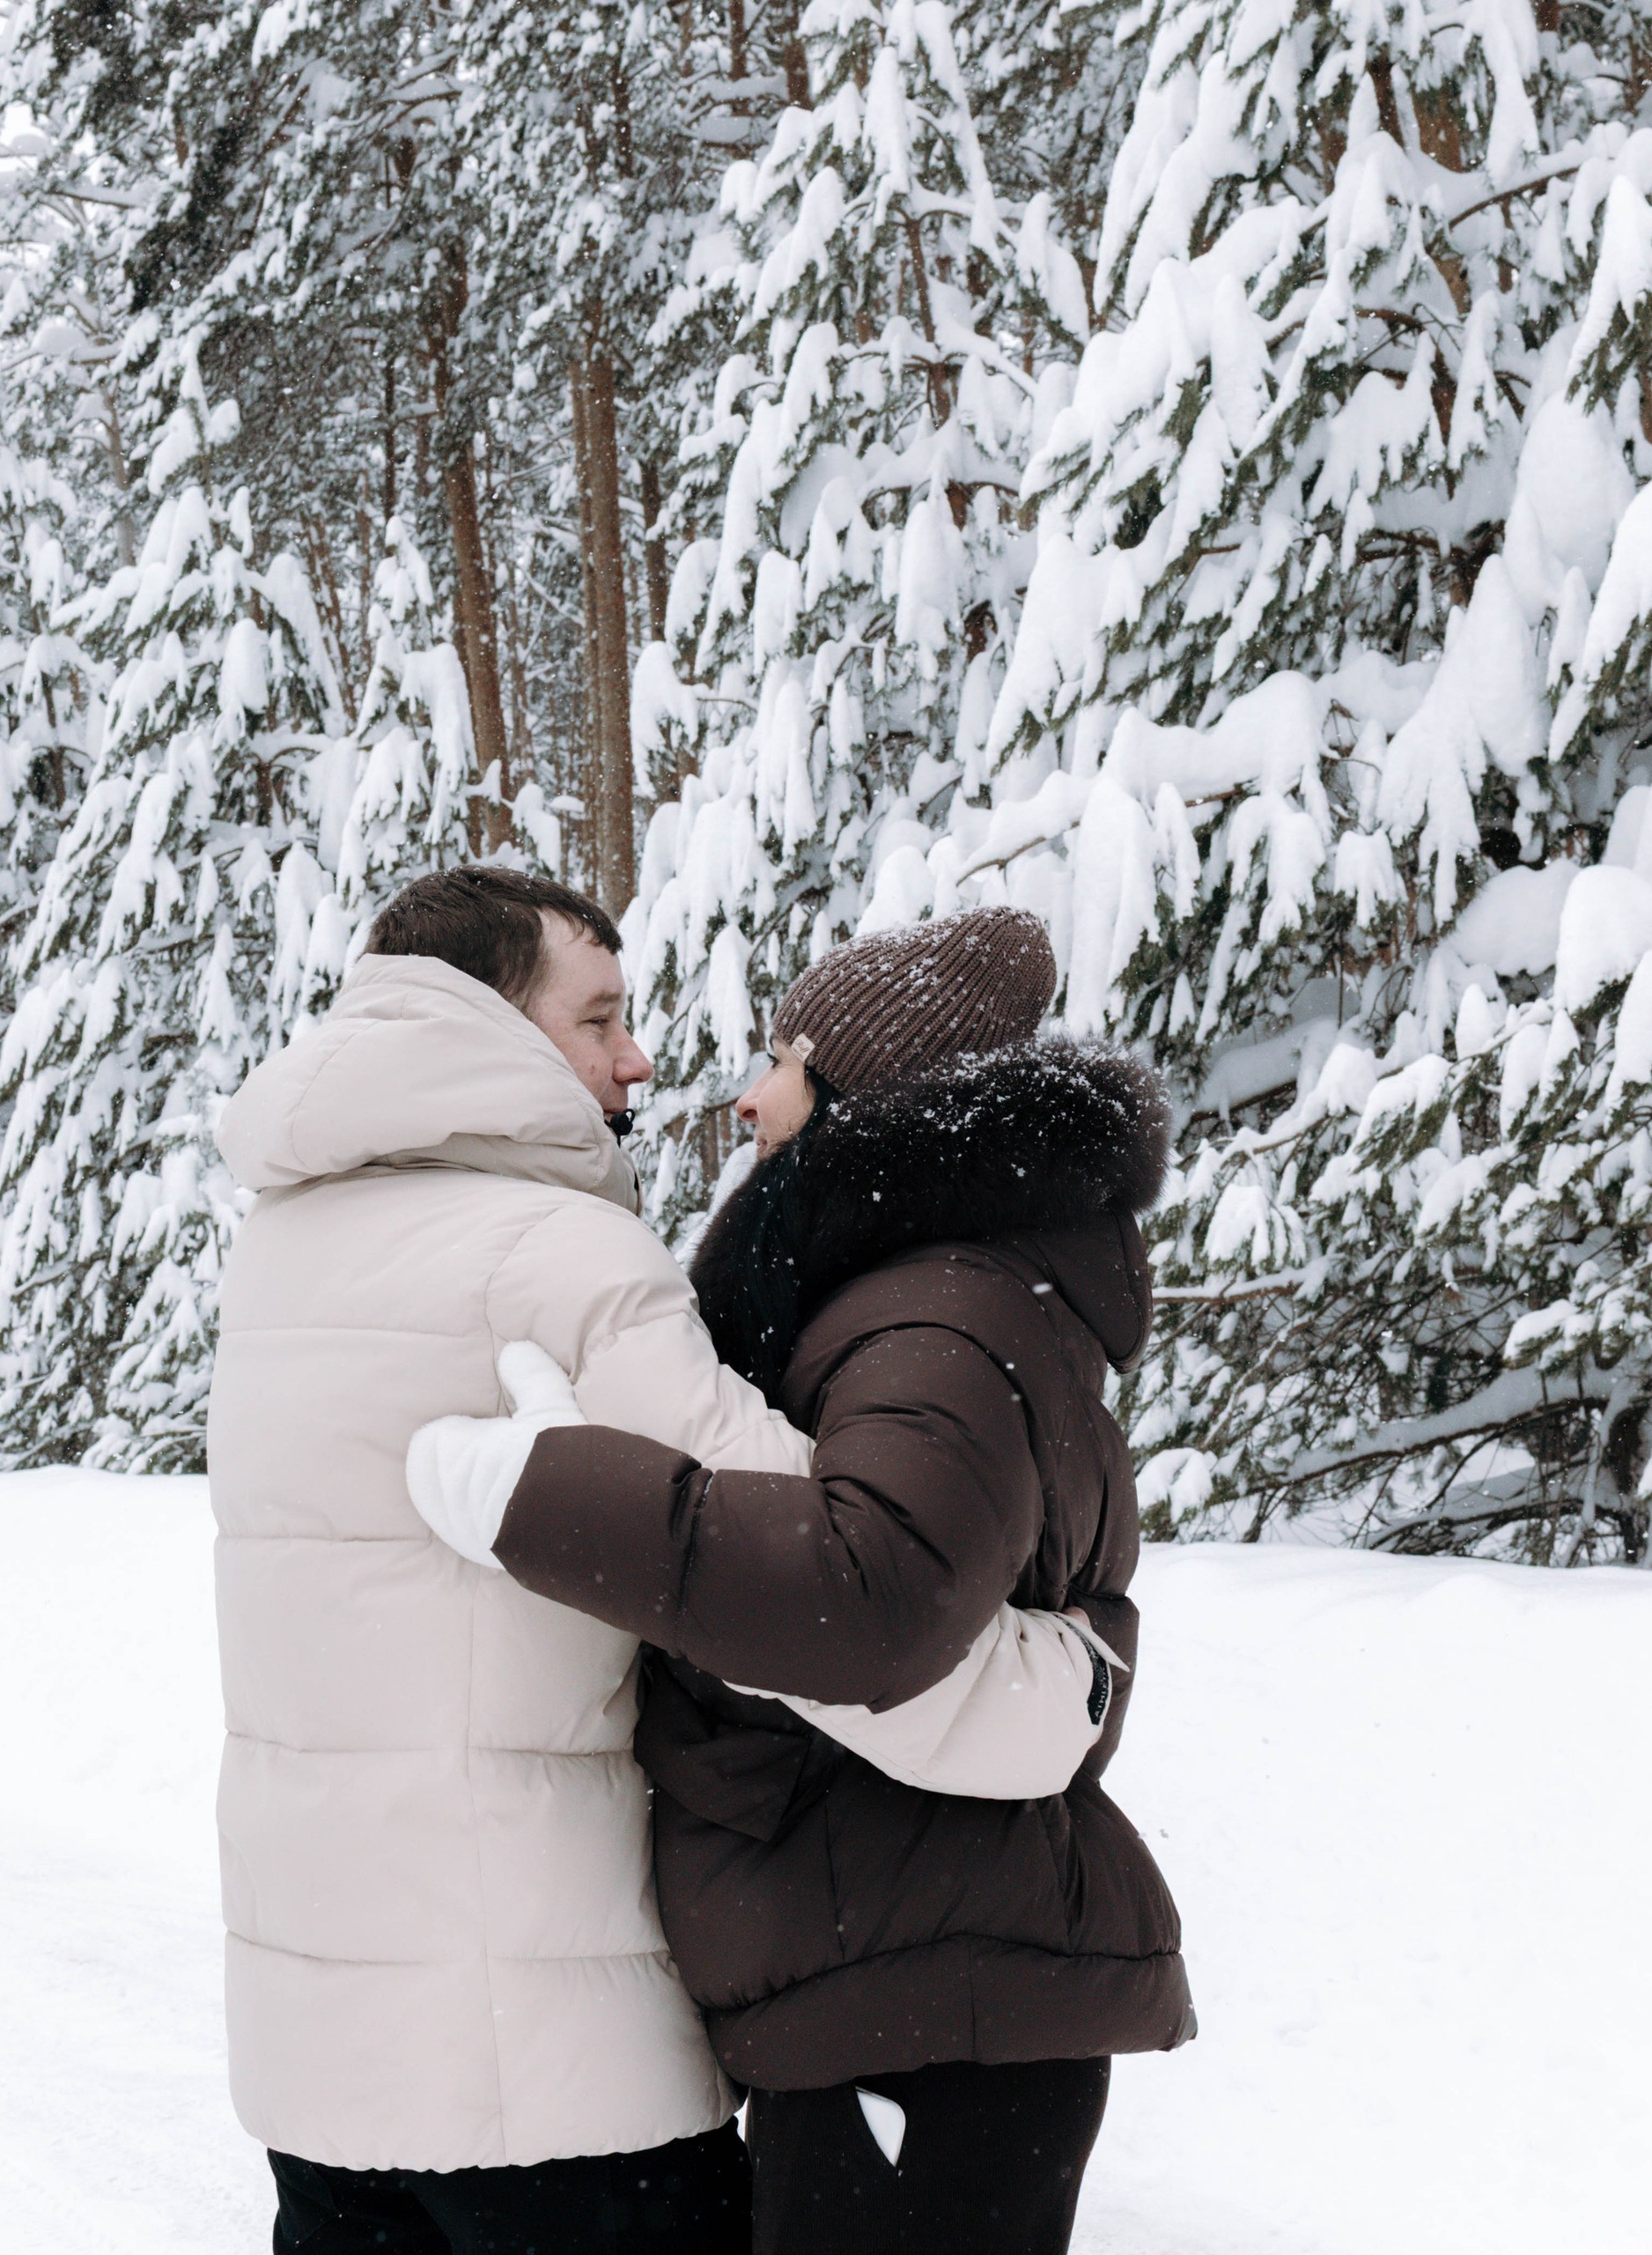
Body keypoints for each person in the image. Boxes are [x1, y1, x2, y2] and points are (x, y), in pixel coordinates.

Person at [207, 869, 1110, 2255]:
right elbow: (830, 1587)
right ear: (485, 1026)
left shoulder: (283, 1250)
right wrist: (1061, 1686)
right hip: (558, 2071)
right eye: (599, 1019)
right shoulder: (562, 1254)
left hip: (318, 2060)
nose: (636, 1060)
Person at [409, 905, 1196, 2255]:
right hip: (902, 1972)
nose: (749, 1091)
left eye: (788, 1056)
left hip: (928, 2005)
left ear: (871, 1103)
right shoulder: (925, 1291)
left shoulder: (941, 1312)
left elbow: (869, 1599)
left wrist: (549, 1490)